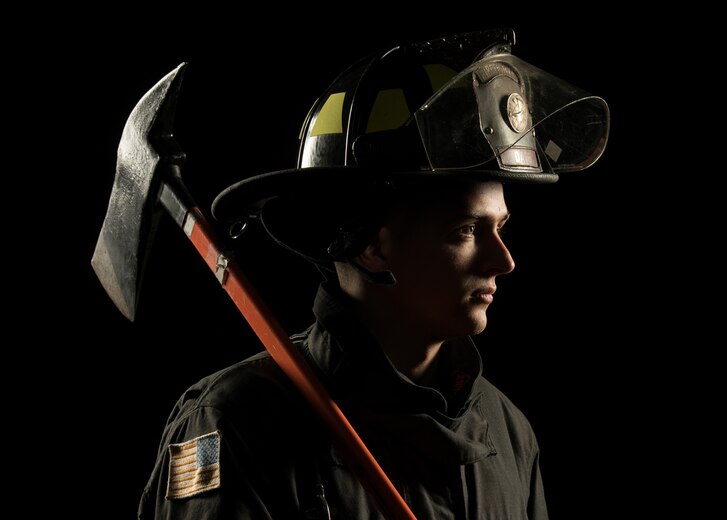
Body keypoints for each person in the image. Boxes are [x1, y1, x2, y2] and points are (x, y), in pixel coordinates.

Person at [137, 27, 609, 519]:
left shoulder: (510, 433)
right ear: (371, 248)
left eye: (501, 227)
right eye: (468, 229)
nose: (504, 260)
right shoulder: (236, 424)